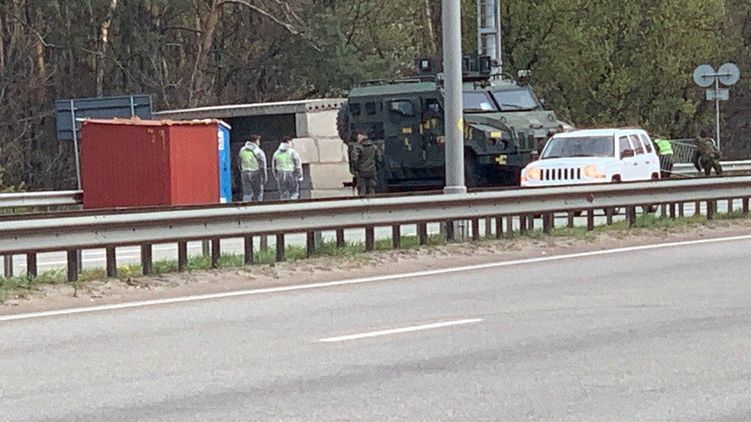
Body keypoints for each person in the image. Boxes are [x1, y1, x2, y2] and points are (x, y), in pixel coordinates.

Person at [349, 130, 382, 196]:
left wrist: (355, 170)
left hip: (361, 172)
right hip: (372, 171)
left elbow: (354, 160)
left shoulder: (358, 148)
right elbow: (379, 159)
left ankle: (363, 201)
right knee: (371, 190)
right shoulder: (374, 147)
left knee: (362, 191)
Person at [238, 135, 267, 202]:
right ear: (256, 141)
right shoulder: (258, 151)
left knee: (247, 193)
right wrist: (264, 177)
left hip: (245, 172)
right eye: (258, 141)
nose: (259, 142)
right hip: (256, 172)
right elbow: (262, 165)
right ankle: (257, 206)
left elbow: (239, 162)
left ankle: (246, 206)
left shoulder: (242, 150)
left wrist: (242, 171)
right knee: (258, 193)